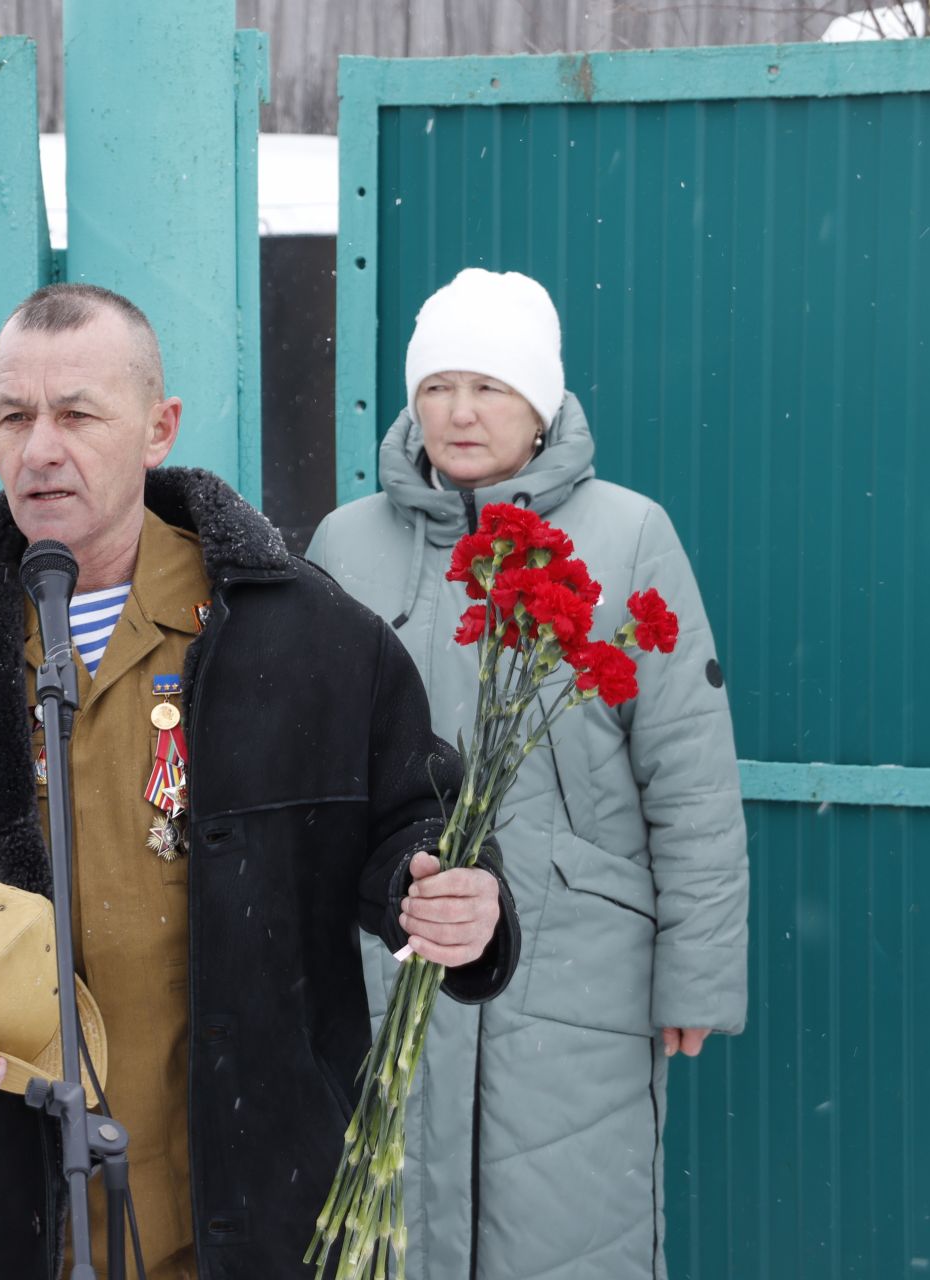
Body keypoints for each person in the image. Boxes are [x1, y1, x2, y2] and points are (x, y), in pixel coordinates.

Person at [0, 282, 521, 1279]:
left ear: (158, 428)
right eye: (15, 415)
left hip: (253, 1212)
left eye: (78, 412)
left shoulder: (302, 633)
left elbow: (413, 820)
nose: (41, 446)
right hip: (0, 1211)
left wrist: (448, 896)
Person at [308, 267, 749, 1280]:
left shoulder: (629, 534)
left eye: (491, 386)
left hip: (578, 971)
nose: (460, 411)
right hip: (392, 946)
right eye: (438, 384)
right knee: (388, 1218)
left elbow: (688, 772)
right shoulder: (346, 541)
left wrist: (698, 971)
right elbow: (313, 761)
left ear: (540, 404)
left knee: (565, 1236)